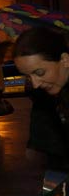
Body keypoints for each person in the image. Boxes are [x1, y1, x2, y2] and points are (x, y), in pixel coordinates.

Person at [13, 28, 69, 164]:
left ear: (64, 60)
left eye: (39, 72)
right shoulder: (51, 97)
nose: (35, 84)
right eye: (27, 76)